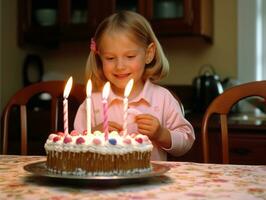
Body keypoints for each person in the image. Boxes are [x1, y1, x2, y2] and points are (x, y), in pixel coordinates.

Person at [74, 11, 195, 161]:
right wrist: (91, 135)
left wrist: (161, 134)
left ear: (149, 54)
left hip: (151, 183)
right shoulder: (93, 103)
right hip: (103, 182)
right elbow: (72, 148)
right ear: (99, 58)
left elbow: (187, 141)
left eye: (130, 56)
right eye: (110, 58)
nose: (120, 66)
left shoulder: (162, 99)